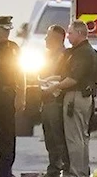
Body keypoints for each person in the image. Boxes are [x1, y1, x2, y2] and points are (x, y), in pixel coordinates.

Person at [43, 20, 97, 177]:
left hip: (77, 97)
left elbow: (73, 79)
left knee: (75, 139)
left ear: (80, 34)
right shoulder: (78, 51)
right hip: (77, 96)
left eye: (71, 33)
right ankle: (80, 171)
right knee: (79, 138)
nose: (68, 36)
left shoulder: (83, 52)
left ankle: (76, 173)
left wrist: (53, 86)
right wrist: (50, 79)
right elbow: (66, 75)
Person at [0, 15, 26, 177]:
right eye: (4, 29)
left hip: (8, 95)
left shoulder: (14, 47)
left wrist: (21, 95)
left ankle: (5, 171)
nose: (7, 33)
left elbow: (20, 72)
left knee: (8, 136)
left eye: (9, 29)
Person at [40, 25, 70, 177]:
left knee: (59, 137)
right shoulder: (47, 56)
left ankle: (65, 168)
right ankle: (53, 169)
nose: (45, 39)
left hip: (57, 101)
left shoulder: (65, 56)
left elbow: (66, 76)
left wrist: (51, 81)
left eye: (48, 36)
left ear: (57, 39)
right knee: (49, 138)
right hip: (46, 100)